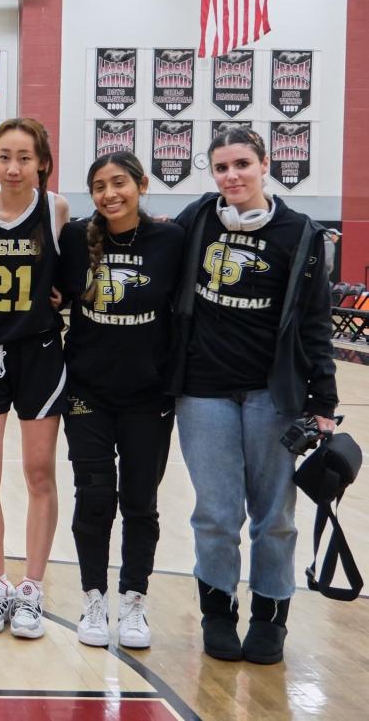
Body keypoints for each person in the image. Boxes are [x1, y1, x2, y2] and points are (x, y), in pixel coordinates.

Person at [168, 126, 337, 665]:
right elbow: (146, 262)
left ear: (264, 164)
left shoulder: (302, 234)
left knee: (275, 516)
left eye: (242, 163)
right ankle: (218, 614)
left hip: (273, 395)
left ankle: (270, 618)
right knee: (216, 514)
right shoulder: (196, 220)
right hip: (203, 392)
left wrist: (323, 404)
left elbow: (315, 324)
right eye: (221, 168)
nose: (232, 176)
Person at [56, 152, 184, 649]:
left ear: (142, 184)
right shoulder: (75, 238)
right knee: (92, 497)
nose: (110, 193)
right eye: (99, 186)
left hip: (147, 397)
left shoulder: (170, 241)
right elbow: (56, 291)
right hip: (87, 391)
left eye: (119, 183)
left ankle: (133, 599)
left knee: (139, 503)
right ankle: (93, 597)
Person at [0, 117, 69, 639]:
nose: (14, 167)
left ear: (42, 162)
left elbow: (71, 276)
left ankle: (32, 588)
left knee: (39, 472)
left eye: (25, 157)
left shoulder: (56, 209)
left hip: (41, 354)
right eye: (5, 156)